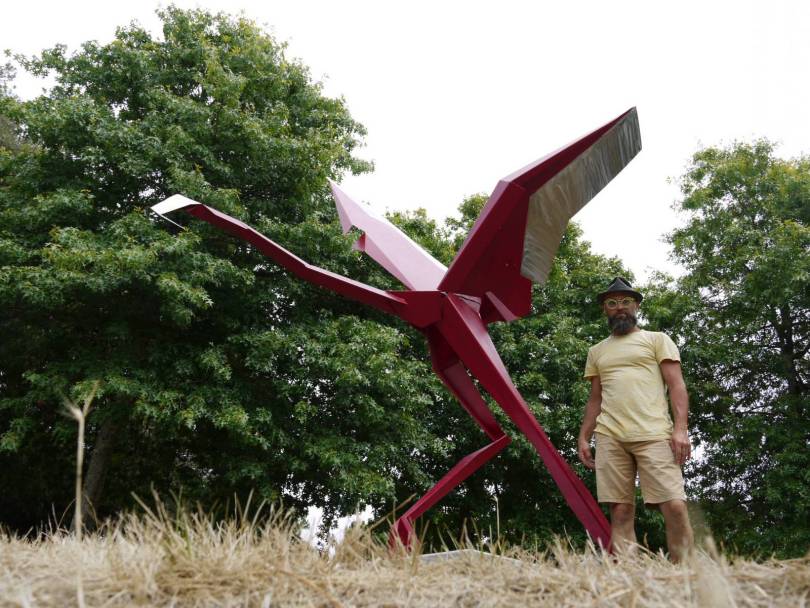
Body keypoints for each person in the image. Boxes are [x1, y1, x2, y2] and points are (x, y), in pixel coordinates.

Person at [578, 277, 694, 561]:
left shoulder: (657, 340)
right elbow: (596, 398)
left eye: (626, 302)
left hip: (654, 434)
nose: (620, 308)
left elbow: (677, 386)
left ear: (637, 306)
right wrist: (584, 435)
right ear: (605, 309)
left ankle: (687, 577)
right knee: (620, 510)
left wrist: (681, 430)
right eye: (612, 303)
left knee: (675, 506)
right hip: (610, 437)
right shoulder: (597, 351)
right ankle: (629, 584)